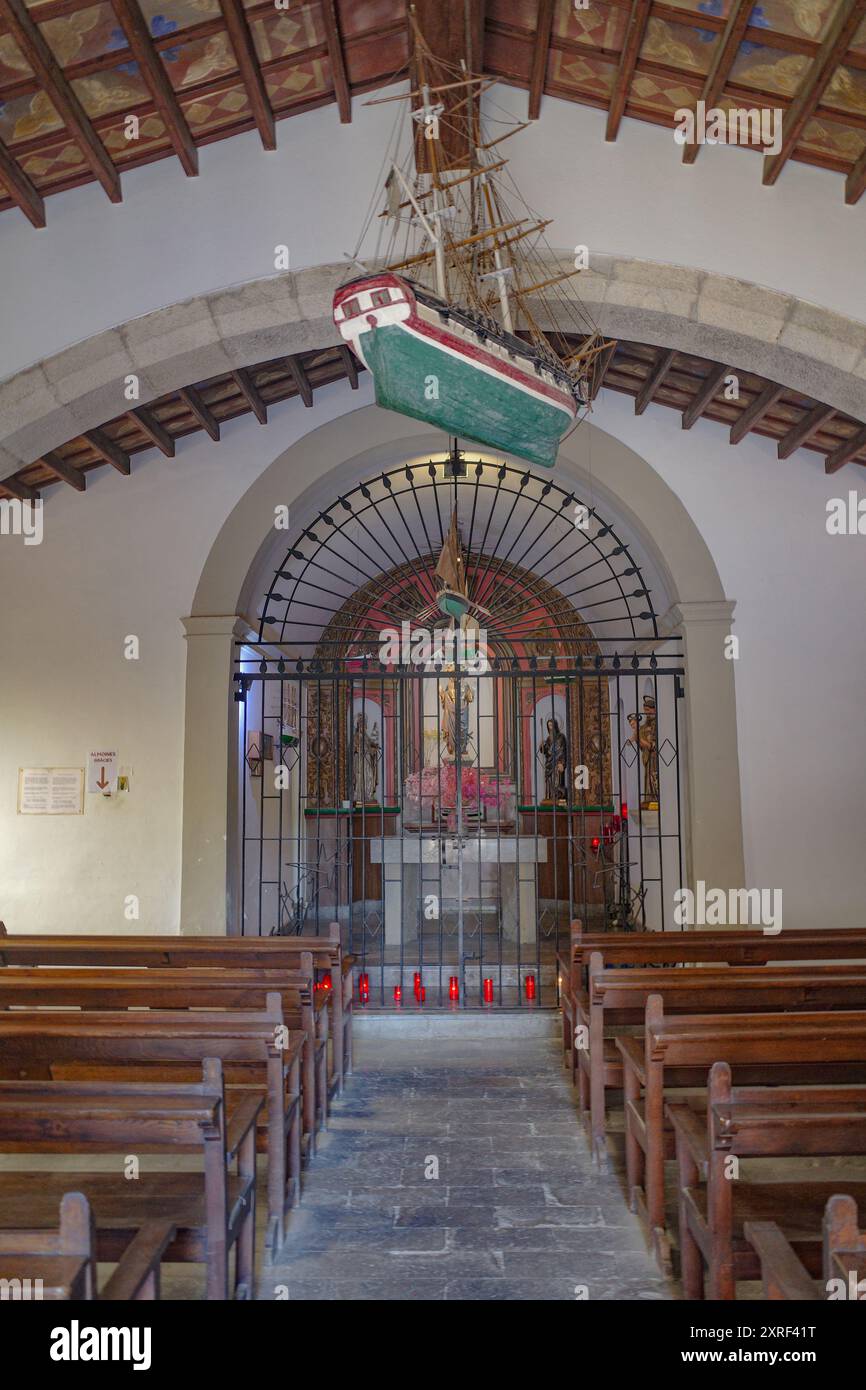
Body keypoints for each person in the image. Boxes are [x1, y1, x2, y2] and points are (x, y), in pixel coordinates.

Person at [539, 717, 568, 802]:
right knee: (549, 780)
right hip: (549, 764)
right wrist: (542, 747)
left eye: (551, 725)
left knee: (557, 781)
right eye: (549, 726)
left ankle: (558, 797)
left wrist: (562, 763)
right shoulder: (548, 739)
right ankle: (550, 797)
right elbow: (546, 751)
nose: (550, 727)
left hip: (557, 763)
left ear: (555, 726)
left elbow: (562, 750)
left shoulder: (561, 737)